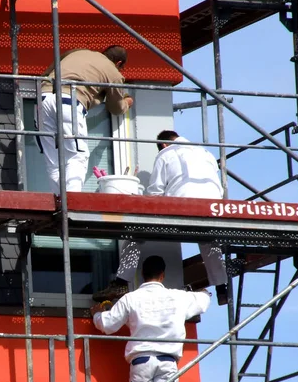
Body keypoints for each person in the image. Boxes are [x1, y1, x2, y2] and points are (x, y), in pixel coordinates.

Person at [93, 130, 229, 305]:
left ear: (164, 144)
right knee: (210, 243)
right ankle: (221, 288)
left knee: (136, 235)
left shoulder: (166, 153)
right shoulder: (206, 153)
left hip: (181, 211)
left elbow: (156, 192)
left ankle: (120, 283)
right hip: (212, 210)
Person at [90, 255, 211, 382]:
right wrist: (204, 292)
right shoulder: (178, 297)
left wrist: (96, 313)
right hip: (168, 360)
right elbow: (203, 301)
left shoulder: (130, 298)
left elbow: (108, 324)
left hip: (141, 360)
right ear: (162, 275)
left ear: (141, 275)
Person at [37, 46, 134, 194]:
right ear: (119, 63)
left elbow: (48, 70)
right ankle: (72, 200)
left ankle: (59, 199)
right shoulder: (112, 71)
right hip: (67, 101)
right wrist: (126, 102)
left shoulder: (77, 52)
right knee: (78, 155)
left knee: (53, 159)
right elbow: (115, 107)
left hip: (41, 100)